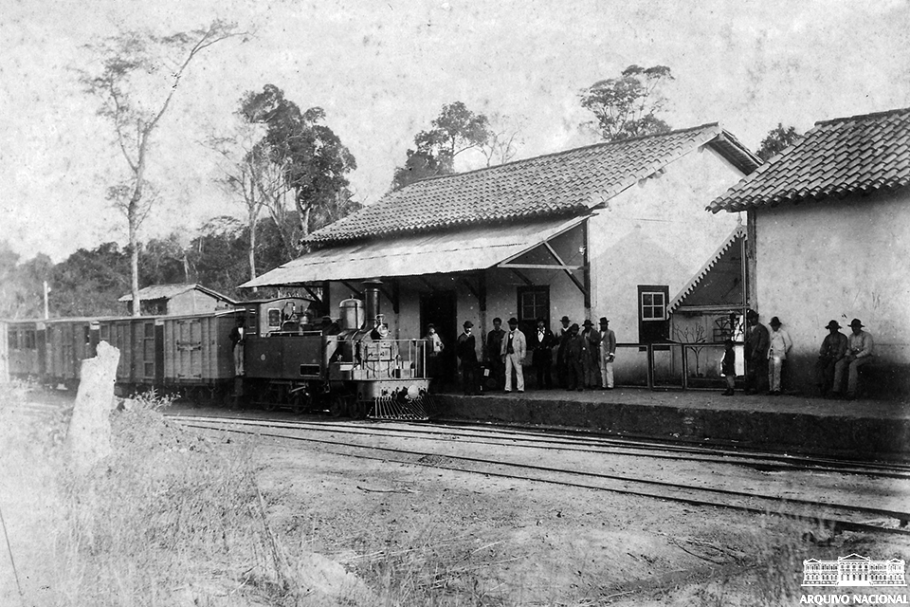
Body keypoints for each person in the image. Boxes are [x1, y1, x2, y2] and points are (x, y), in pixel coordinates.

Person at [832, 319, 874, 399]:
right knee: (839, 364)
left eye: (856, 327)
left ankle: (851, 392)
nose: (854, 329)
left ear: (859, 327)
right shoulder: (851, 336)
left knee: (852, 365)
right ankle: (836, 390)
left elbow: (867, 350)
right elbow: (848, 348)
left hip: (866, 356)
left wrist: (856, 356)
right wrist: (847, 355)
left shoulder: (866, 336)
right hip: (854, 356)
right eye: (853, 327)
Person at [815, 320, 847, 396]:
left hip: (840, 357)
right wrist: (823, 355)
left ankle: (831, 388)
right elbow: (823, 348)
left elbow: (842, 350)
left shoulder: (842, 337)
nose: (832, 330)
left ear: (837, 328)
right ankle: (821, 384)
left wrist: (836, 358)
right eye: (830, 328)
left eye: (833, 328)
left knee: (831, 368)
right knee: (819, 365)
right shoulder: (828, 337)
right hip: (829, 356)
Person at [744, 311, 770, 394]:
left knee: (757, 371)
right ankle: (750, 386)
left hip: (758, 354)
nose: (752, 320)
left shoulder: (761, 329)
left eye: (753, 318)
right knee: (750, 371)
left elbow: (763, 341)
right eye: (750, 318)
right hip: (749, 353)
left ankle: (757, 387)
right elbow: (746, 341)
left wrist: (758, 350)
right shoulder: (748, 330)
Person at [766, 316, 792, 395]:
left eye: (775, 325)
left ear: (778, 325)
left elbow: (789, 343)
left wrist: (783, 351)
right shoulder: (771, 333)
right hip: (771, 354)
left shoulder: (783, 333)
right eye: (773, 326)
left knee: (777, 372)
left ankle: (776, 389)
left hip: (778, 354)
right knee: (770, 371)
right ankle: (771, 388)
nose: (774, 327)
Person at [501, 317, 526, 393]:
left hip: (516, 353)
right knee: (507, 371)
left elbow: (523, 346)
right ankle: (508, 387)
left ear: (516, 325)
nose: (512, 326)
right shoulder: (506, 334)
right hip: (508, 354)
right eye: (511, 324)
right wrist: (503, 354)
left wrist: (522, 356)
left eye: (514, 324)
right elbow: (503, 345)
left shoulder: (520, 334)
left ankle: (520, 387)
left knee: (518, 370)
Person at [531, 318, 555, 389]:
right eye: (539, 323)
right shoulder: (534, 332)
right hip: (538, 353)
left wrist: (549, 346)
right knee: (539, 370)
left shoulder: (548, 332)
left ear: (544, 324)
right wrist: (534, 347)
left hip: (546, 353)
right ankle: (539, 385)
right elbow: (531, 341)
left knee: (547, 370)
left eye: (541, 323)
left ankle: (548, 385)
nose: (540, 324)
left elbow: (553, 341)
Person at [455, 321, 479, 395]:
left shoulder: (472, 337)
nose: (469, 329)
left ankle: (476, 390)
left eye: (470, 327)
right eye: (467, 327)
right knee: (466, 375)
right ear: (464, 328)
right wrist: (462, 357)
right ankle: (467, 391)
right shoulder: (461, 338)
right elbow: (458, 350)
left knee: (476, 375)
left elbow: (473, 348)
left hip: (473, 358)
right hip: (466, 359)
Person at [485, 317, 506, 391]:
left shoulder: (504, 333)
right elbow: (488, 345)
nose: (497, 326)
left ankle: (501, 386)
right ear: (493, 325)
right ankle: (495, 386)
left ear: (500, 324)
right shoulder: (491, 334)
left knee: (501, 371)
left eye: (498, 324)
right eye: (495, 324)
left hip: (501, 355)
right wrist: (488, 355)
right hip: (493, 355)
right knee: (494, 370)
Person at [563, 323, 585, 391]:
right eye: (573, 330)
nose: (574, 331)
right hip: (570, 357)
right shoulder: (569, 339)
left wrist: (581, 357)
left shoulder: (580, 338)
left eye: (575, 330)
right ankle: (571, 385)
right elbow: (566, 348)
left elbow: (583, 348)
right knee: (570, 372)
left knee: (579, 372)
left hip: (577, 357)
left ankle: (580, 386)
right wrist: (564, 356)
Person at [581, 319, 601, 388]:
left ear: (590, 325)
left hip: (592, 352)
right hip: (585, 353)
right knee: (586, 368)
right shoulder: (583, 333)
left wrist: (591, 340)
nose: (587, 326)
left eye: (588, 325)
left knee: (592, 368)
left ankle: (593, 383)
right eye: (586, 325)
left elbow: (597, 341)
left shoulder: (594, 333)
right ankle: (587, 383)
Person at [424, 324, 444, 392]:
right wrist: (415, 342)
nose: (431, 330)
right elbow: (420, 343)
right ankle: (432, 389)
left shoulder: (436, 336)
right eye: (430, 329)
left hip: (438, 355)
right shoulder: (427, 337)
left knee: (439, 372)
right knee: (432, 372)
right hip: (431, 355)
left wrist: (441, 345)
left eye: (432, 329)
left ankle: (439, 388)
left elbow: (442, 344)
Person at [598, 317, 616, 390]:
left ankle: (610, 385)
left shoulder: (610, 332)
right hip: (601, 350)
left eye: (604, 324)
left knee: (609, 368)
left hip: (607, 352)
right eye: (602, 324)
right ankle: (604, 384)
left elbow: (613, 343)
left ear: (607, 325)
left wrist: (612, 354)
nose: (603, 326)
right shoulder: (599, 333)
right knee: (602, 368)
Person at [556, 315, 571, 388]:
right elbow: (556, 341)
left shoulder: (571, 331)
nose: (565, 324)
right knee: (561, 367)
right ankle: (562, 383)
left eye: (566, 322)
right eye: (563, 322)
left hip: (568, 350)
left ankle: (569, 383)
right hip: (561, 351)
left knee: (568, 367)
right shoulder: (559, 331)